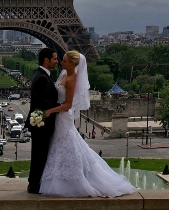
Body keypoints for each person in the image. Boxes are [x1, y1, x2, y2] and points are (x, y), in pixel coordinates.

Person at [39, 51, 136, 197]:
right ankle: (63, 179)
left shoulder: (72, 79)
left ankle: (70, 180)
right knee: (63, 147)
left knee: (65, 146)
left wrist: (50, 111)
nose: (61, 62)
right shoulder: (65, 74)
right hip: (60, 118)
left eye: (64, 60)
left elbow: (68, 104)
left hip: (63, 117)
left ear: (73, 63)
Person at [25, 47, 59, 194]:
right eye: (55, 59)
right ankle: (34, 185)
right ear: (46, 60)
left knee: (39, 155)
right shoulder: (43, 78)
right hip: (42, 125)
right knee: (40, 155)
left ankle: (34, 183)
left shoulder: (41, 75)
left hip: (40, 123)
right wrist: (61, 107)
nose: (57, 62)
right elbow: (43, 102)